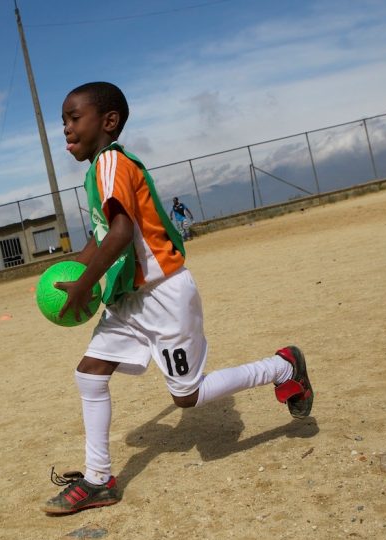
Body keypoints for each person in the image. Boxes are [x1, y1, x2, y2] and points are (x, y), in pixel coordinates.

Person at [42, 81, 314, 515]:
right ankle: (99, 481)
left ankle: (283, 366)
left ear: (107, 122)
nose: (66, 130)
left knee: (187, 397)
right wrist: (75, 275)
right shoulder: (98, 169)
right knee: (90, 373)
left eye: (74, 119)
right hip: (130, 299)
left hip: (164, 295)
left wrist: (83, 284)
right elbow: (101, 236)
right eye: (63, 123)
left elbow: (120, 233)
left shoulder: (110, 162)